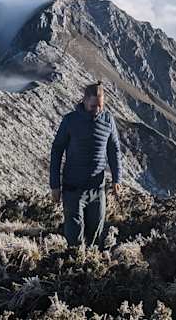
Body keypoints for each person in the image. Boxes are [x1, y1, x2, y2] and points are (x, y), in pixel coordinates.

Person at [49, 80, 122, 250]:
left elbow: (114, 150)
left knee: (95, 238)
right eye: (93, 106)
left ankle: (90, 264)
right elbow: (57, 150)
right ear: (84, 101)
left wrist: (117, 179)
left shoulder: (108, 120)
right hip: (73, 190)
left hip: (98, 190)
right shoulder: (70, 121)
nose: (97, 109)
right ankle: (73, 263)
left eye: (100, 106)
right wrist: (55, 185)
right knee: (74, 240)